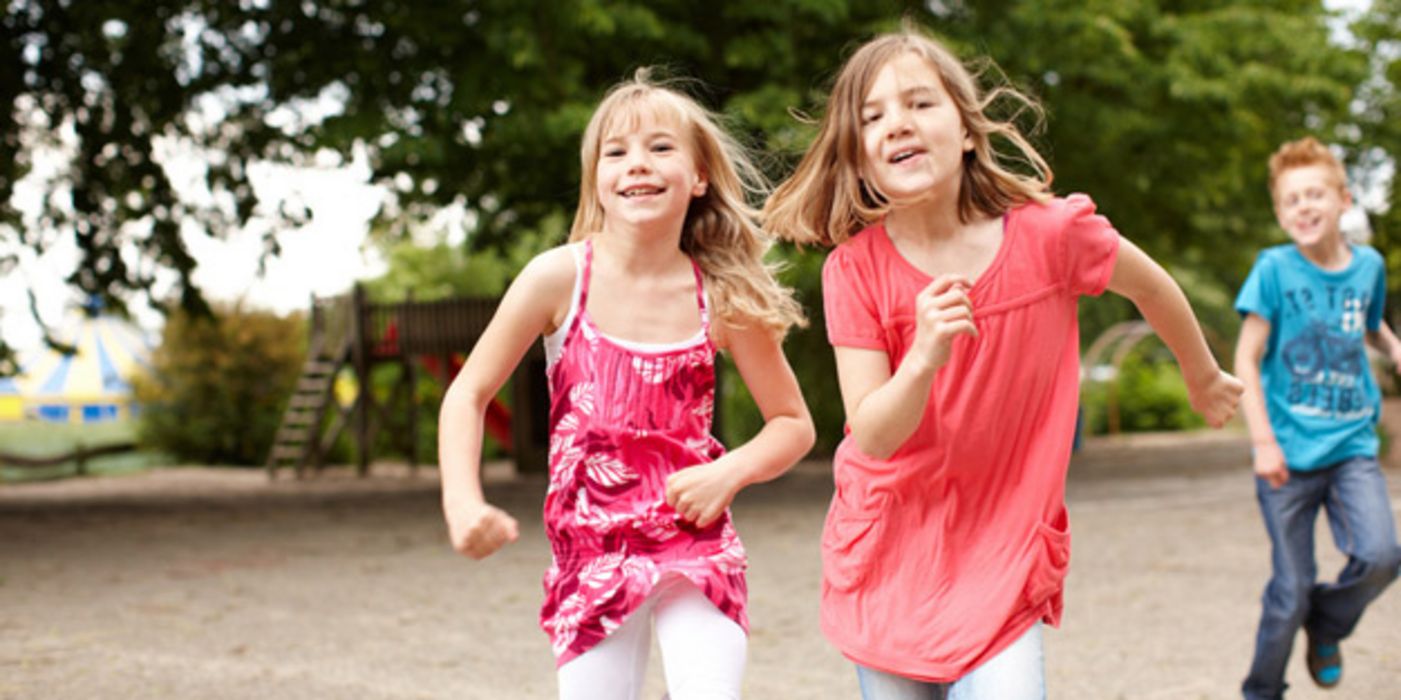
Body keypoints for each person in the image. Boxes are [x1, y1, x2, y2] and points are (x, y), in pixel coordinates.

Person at [762, 26, 1243, 698]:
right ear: (860, 159)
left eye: (919, 103)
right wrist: (923, 357)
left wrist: (1200, 373)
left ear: (964, 130)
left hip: (1003, 549)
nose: (896, 122)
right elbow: (871, 432)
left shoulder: (1050, 234)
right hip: (889, 553)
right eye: (872, 117)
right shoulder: (854, 270)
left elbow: (1148, 285)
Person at [437, 71, 815, 699]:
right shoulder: (557, 279)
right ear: (598, 184)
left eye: (661, 148)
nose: (637, 164)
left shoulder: (721, 295)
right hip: (590, 553)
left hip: (695, 543)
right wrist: (462, 503)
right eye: (616, 152)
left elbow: (793, 423)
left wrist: (730, 473)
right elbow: (468, 394)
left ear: (698, 177)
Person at [1234, 136, 1401, 700]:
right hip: (1286, 456)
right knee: (1290, 590)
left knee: (1381, 557)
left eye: (1315, 195)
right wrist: (1262, 442)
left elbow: (1370, 325)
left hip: (1352, 443)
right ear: (1281, 214)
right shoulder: (1274, 270)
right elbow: (1245, 358)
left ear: (1344, 199)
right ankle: (1261, 690)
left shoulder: (1368, 267)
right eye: (1291, 200)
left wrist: (1393, 345)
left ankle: (1327, 625)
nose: (1303, 207)